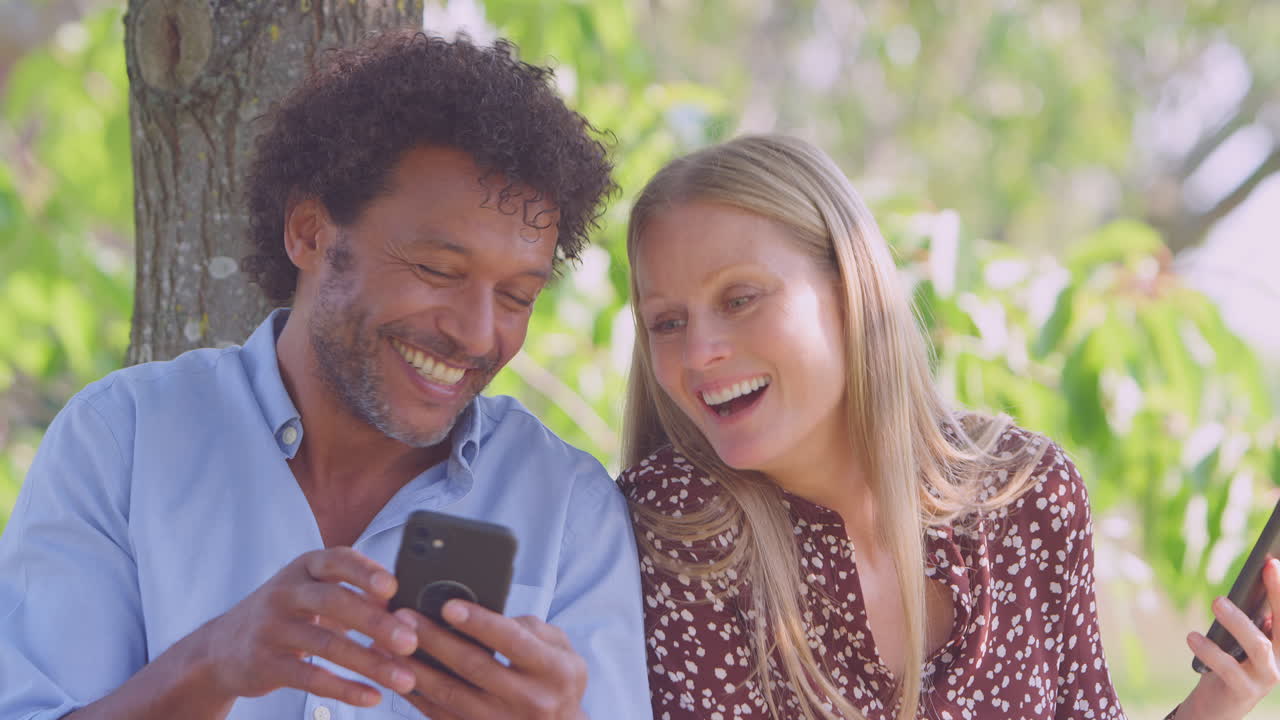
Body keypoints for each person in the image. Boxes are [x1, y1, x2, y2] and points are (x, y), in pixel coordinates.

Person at [0, 30, 651, 720]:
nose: (477, 332)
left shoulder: (569, 513)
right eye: (436, 270)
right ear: (309, 233)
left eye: (518, 295)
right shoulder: (120, 442)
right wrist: (211, 664)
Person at [616, 133, 1280, 720]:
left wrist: (1216, 704)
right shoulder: (677, 525)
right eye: (667, 322)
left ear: (850, 288)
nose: (700, 352)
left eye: (739, 299)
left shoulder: (1030, 494)